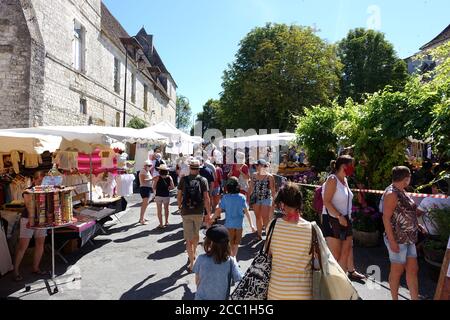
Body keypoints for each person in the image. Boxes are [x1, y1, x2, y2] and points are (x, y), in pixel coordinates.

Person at [267, 182, 313, 300]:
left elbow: (268, 254)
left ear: (282, 204)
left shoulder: (272, 226)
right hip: (302, 292)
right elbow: (317, 258)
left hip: (276, 290)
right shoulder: (311, 229)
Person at [382, 166, 421, 300]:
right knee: (397, 271)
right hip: (398, 238)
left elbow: (404, 212)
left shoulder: (401, 191)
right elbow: (386, 218)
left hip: (409, 238)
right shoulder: (392, 193)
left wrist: (416, 223)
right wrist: (392, 241)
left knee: (413, 269)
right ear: (406, 178)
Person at [321, 155, 354, 273]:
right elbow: (326, 201)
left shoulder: (344, 180)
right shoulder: (332, 179)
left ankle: (342, 283)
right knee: (335, 255)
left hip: (345, 219)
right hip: (333, 219)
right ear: (344, 166)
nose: (353, 168)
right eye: (351, 165)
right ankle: (329, 283)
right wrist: (339, 216)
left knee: (345, 252)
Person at [177, 160, 211, 272]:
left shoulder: (183, 179)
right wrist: (208, 213)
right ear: (199, 168)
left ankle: (192, 262)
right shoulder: (203, 180)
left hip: (186, 211)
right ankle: (194, 252)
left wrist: (179, 206)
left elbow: (179, 195)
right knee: (196, 235)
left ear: (190, 168)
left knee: (188, 239)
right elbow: (206, 198)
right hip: (198, 210)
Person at [193, 225, 243, 300]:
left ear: (210, 242)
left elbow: (197, 281)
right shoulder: (231, 262)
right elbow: (240, 280)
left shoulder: (201, 259)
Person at [14, 171, 48, 281]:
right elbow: (29, 206)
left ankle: (35, 267)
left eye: (43, 180)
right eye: (39, 180)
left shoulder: (46, 190)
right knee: (23, 246)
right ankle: (15, 271)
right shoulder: (28, 191)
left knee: (40, 243)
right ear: (34, 180)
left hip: (41, 219)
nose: (41, 182)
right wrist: (33, 220)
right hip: (28, 219)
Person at [212, 177, 256, 257]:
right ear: (237, 186)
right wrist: (251, 225)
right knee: (236, 244)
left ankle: (231, 258)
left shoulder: (225, 197)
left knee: (230, 244)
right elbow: (247, 212)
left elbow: (218, 210)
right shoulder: (242, 197)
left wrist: (212, 218)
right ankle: (234, 258)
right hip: (239, 225)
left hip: (229, 225)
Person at [248, 159, 276, 241]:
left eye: (257, 165)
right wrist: (248, 197)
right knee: (257, 217)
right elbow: (251, 187)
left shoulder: (270, 177)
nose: (256, 166)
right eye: (256, 165)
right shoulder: (254, 175)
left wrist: (274, 201)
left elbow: (273, 190)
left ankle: (267, 236)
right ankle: (259, 235)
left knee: (265, 218)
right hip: (256, 198)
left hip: (266, 198)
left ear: (262, 166)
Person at [153, 164, 175, 229]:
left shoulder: (157, 177)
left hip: (158, 195)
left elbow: (154, 187)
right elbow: (173, 187)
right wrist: (168, 188)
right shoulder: (169, 177)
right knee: (166, 209)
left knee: (159, 210)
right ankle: (166, 221)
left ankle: (161, 224)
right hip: (166, 195)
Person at [138, 160, 153, 225]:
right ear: (145, 166)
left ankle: (142, 218)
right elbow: (143, 181)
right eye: (149, 166)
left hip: (147, 188)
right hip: (144, 188)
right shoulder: (143, 171)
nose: (150, 167)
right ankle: (141, 219)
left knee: (146, 204)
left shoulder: (147, 171)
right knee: (145, 204)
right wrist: (152, 179)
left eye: (151, 165)